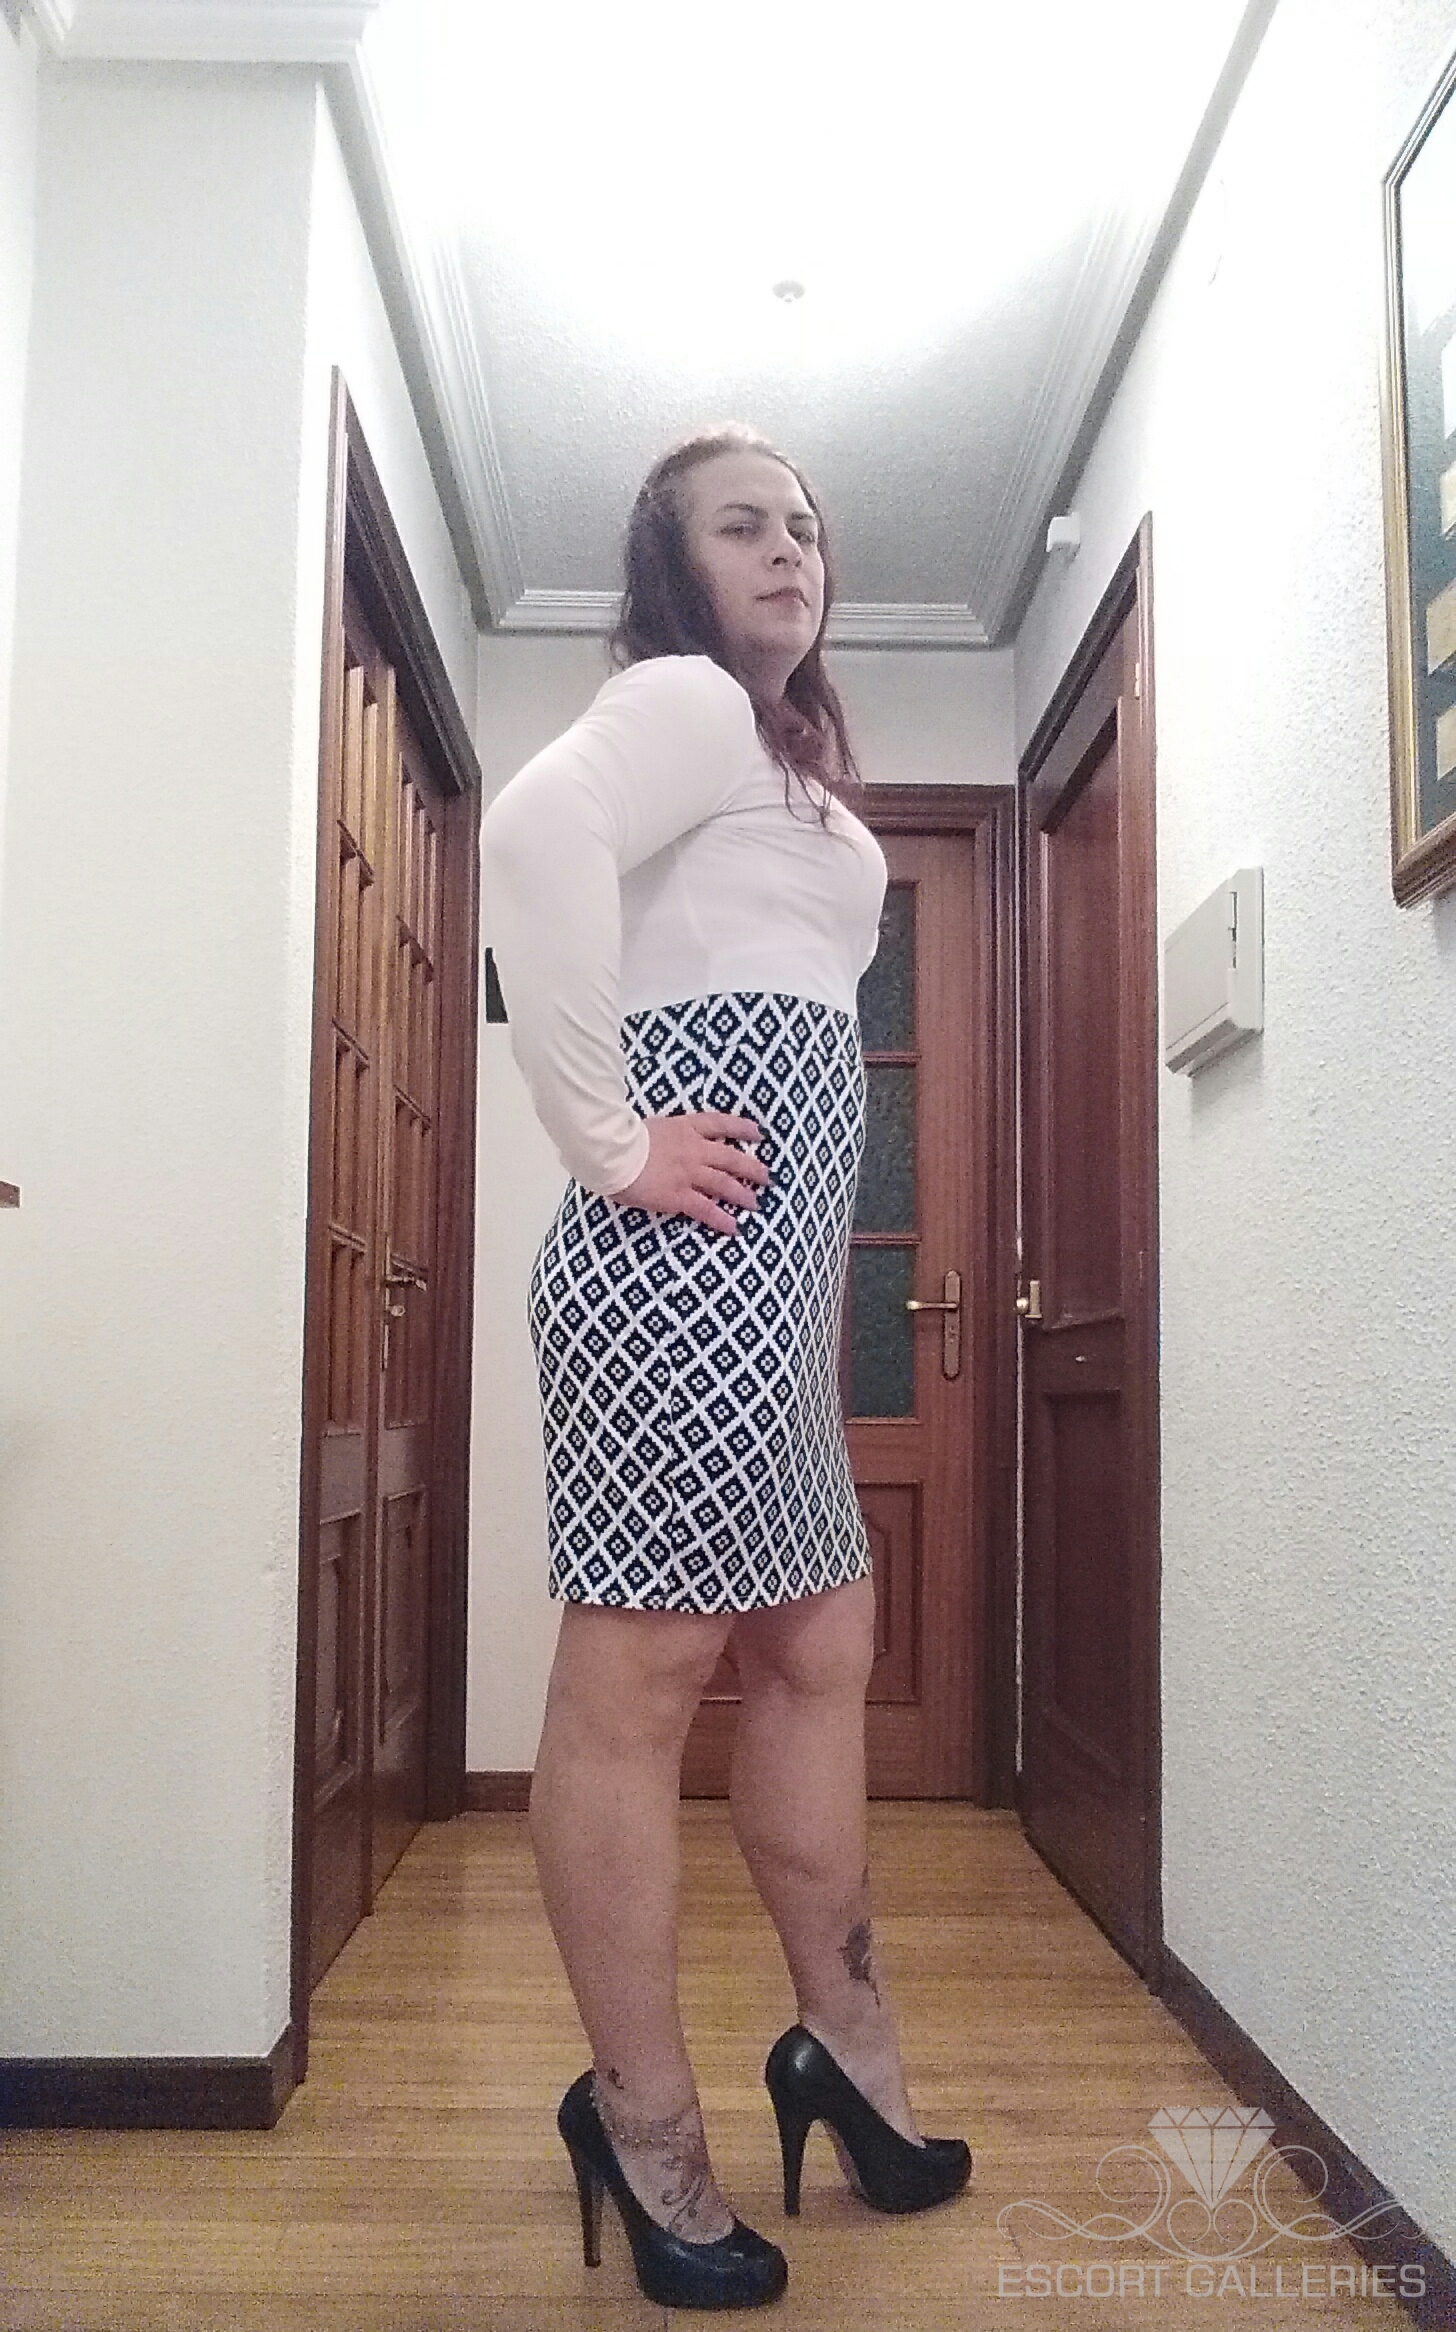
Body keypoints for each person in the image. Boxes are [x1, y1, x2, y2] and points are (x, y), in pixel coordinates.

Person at [480, 425, 971, 2311]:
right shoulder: (683, 701)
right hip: (665, 1281)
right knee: (645, 1674)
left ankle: (847, 2054)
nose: (790, 551)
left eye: (807, 528)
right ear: (673, 569)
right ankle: (645, 2119)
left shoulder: (786, 767)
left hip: (767, 1296)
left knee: (820, 1645)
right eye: (742, 526)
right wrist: (609, 1144)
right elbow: (532, 836)